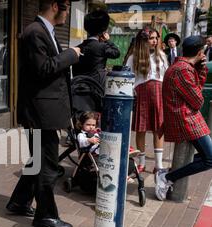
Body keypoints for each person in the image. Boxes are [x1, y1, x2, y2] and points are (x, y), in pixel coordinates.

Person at [6, 0, 81, 227]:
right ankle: (46, 214)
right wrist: (71, 54)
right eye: (67, 8)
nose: (68, 14)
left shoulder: (44, 30)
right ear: (55, 6)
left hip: (46, 110)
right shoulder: (34, 32)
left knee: (39, 160)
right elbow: (43, 68)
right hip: (40, 112)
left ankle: (19, 201)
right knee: (47, 164)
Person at [156, 36, 211, 201]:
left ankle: (168, 173)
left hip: (188, 117)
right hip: (186, 118)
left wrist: (201, 70)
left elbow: (196, 91)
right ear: (201, 52)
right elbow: (198, 100)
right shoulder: (182, 70)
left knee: (206, 156)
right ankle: (167, 177)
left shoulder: (182, 67)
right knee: (209, 158)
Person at [126, 27, 168, 176]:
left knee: (158, 129)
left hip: (158, 94)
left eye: (156, 38)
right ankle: (142, 163)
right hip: (141, 94)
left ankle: (159, 164)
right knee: (141, 129)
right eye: (151, 38)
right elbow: (128, 78)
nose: (155, 41)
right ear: (143, 40)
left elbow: (165, 77)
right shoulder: (134, 57)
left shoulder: (161, 55)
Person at [72, 9, 120, 86]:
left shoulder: (78, 48)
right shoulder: (102, 47)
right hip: (96, 88)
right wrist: (108, 40)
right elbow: (116, 53)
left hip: (78, 87)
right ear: (103, 31)